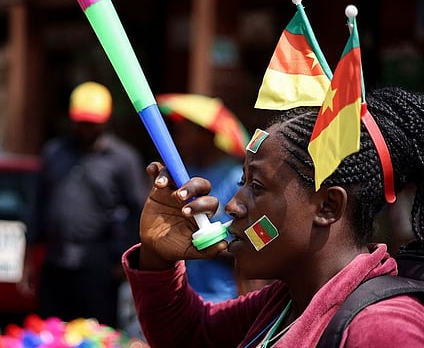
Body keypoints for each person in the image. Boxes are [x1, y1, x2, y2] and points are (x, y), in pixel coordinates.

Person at [122, 86, 424, 347]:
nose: (233, 206)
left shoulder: (383, 329)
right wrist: (157, 257)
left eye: (256, 186)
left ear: (327, 207)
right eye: (242, 182)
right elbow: (189, 336)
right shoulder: (285, 302)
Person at [24, 81, 148, 327]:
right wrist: (28, 258)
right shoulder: (55, 152)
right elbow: (38, 205)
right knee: (51, 332)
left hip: (98, 265)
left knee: (97, 334)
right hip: (55, 261)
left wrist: (124, 258)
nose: (85, 129)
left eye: (92, 123)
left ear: (105, 121)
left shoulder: (123, 159)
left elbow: (139, 211)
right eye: (81, 122)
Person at [170, 117, 242, 302]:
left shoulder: (235, 176)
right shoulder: (184, 174)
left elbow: (251, 245)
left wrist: (210, 244)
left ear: (205, 134)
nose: (178, 140)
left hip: (224, 294)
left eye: (185, 133)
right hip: (187, 293)